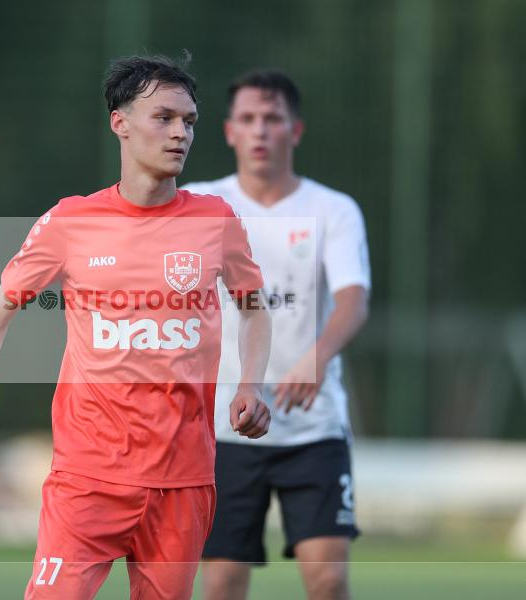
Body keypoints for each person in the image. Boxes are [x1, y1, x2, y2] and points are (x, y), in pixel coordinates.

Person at [0, 55, 273, 600]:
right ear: (120, 123)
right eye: (163, 117)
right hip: (88, 478)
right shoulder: (71, 222)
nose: (180, 133)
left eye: (189, 121)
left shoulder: (216, 220)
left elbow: (255, 308)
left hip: (184, 480)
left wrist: (252, 384)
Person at [183, 69, 371, 600]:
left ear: (296, 130)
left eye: (272, 118)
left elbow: (354, 300)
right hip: (221, 428)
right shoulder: (199, 204)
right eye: (248, 119)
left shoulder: (332, 209)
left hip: (312, 428)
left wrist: (316, 358)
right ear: (228, 132)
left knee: (328, 579)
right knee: (222, 582)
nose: (260, 130)